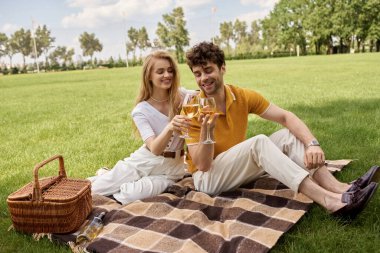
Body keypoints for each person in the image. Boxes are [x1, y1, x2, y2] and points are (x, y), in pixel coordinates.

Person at [183, 41, 379, 218]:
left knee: (287, 135)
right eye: (197, 74)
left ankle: (341, 188)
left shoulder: (241, 96)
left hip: (235, 168)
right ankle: (331, 202)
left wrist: (312, 144)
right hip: (207, 179)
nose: (203, 79)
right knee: (259, 142)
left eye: (208, 70)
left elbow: (286, 117)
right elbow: (203, 166)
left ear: (222, 68)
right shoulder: (192, 109)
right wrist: (207, 132)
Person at [89, 51, 192, 204]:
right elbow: (155, 149)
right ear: (149, 76)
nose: (167, 75)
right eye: (160, 71)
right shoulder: (141, 110)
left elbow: (206, 95)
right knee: (94, 190)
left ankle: (112, 176)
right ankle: (109, 176)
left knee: (128, 196)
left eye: (170, 70)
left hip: (172, 170)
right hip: (145, 161)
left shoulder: (183, 96)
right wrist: (170, 127)